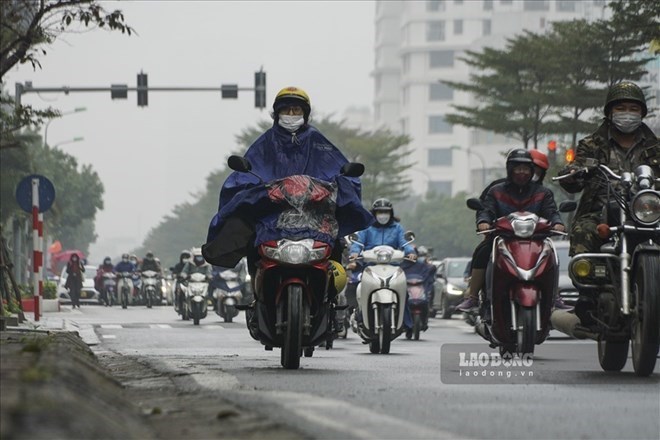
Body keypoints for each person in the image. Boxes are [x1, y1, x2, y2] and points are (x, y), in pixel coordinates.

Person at [558, 81, 660, 256]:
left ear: (642, 113)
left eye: (633, 109)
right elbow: (577, 169)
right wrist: (572, 173)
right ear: (610, 113)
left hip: (649, 212)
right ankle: (590, 278)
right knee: (584, 231)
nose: (627, 113)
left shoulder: (656, 147)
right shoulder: (592, 144)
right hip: (601, 212)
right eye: (621, 108)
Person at [456, 149, 565, 312]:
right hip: (502, 238)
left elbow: (552, 212)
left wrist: (557, 223)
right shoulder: (496, 190)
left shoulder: (543, 193)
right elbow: (486, 209)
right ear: (510, 169)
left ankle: (554, 295)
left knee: (551, 255)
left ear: (532, 171)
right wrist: (484, 221)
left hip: (535, 240)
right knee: (483, 251)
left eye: (526, 169)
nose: (522, 172)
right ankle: (472, 296)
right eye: (517, 168)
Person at [347, 198, 417, 328]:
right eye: (379, 212)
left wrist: (410, 251)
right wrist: (354, 253)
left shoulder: (397, 228)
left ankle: (405, 323)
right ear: (374, 213)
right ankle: (360, 316)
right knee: (359, 287)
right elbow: (358, 243)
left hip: (393, 266)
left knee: (404, 291)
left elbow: (405, 243)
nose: (383, 215)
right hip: (370, 265)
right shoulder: (366, 227)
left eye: (386, 212)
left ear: (391, 213)